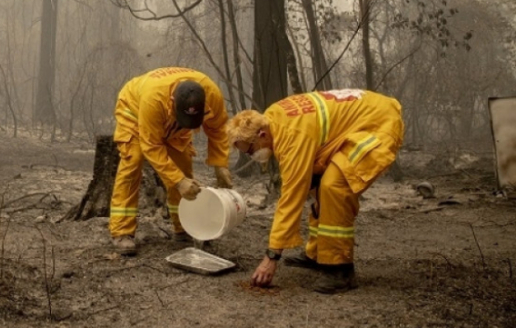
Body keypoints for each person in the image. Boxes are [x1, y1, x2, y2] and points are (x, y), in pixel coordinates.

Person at [227, 89, 404, 294]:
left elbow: (291, 199)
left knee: (333, 186)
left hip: (378, 123)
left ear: (262, 135)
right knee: (316, 185)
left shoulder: (291, 137)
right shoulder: (272, 118)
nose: (251, 156)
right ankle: (318, 253)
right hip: (363, 118)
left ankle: (340, 270)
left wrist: (271, 257)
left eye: (250, 150)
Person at [109, 67, 233, 256]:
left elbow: (218, 130)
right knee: (132, 162)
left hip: (170, 121)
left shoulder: (211, 93)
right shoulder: (154, 99)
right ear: (174, 102)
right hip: (134, 112)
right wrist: (178, 181)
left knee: (183, 167)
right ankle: (122, 231)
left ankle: (184, 227)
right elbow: (151, 145)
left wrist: (220, 164)